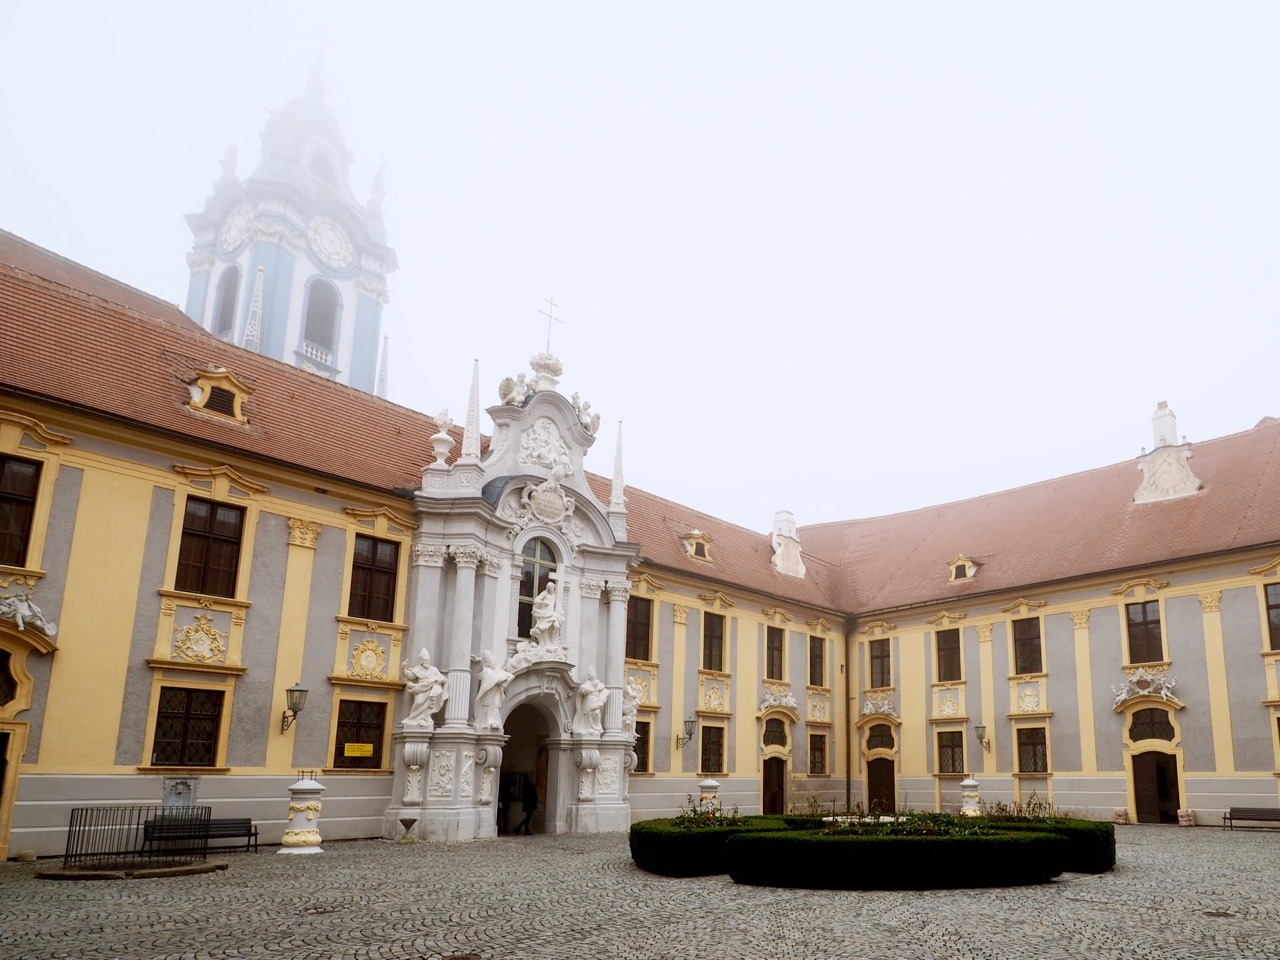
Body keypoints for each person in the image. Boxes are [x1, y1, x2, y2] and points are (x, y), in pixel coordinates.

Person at [402, 648, 448, 729]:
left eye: (428, 660)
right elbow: (410, 676)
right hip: (421, 689)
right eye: (425, 660)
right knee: (418, 702)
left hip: (431, 690)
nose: (427, 662)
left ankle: (425, 717)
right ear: (421, 661)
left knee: (429, 704)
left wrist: (438, 680)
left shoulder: (434, 669)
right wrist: (403, 669)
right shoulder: (418, 668)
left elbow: (443, 678)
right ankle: (413, 718)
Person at [473, 650, 514, 730]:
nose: (492, 661)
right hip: (488, 693)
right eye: (489, 660)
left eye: (492, 659)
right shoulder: (487, 671)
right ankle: (486, 722)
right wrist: (503, 678)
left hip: (496, 692)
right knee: (487, 706)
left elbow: (510, 676)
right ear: (486, 662)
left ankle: (494, 721)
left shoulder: (497, 671)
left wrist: (504, 678)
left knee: (495, 705)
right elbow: (494, 679)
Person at [572, 666, 609, 736]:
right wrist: (586, 690)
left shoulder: (597, 682)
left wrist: (598, 688)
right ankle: (587, 727)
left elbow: (602, 685)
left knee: (596, 712)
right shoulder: (587, 682)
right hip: (588, 700)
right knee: (588, 713)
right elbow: (582, 688)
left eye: (593, 675)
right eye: (591, 675)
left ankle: (597, 728)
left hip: (596, 699)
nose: (593, 677)